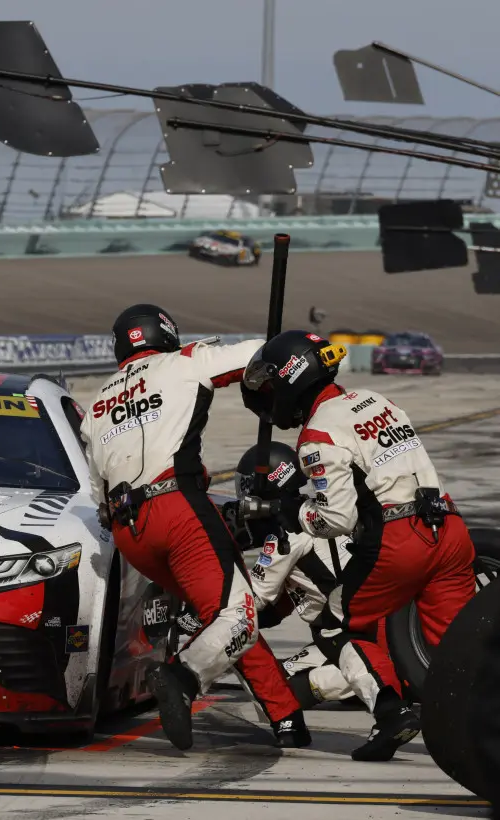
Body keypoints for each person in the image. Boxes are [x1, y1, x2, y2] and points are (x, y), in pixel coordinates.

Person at [237, 328, 476, 761]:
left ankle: (391, 714)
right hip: (450, 529)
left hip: (398, 538)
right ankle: (483, 724)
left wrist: (294, 512)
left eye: (271, 386)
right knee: (458, 645)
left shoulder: (317, 434)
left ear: (292, 378)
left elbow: (336, 519)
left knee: (338, 624)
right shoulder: (376, 400)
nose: (270, 398)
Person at [81, 304, 309, 751]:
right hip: (177, 509)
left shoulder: (97, 405)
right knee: (237, 615)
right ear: (165, 333)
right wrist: (273, 380)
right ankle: (182, 675)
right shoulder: (183, 360)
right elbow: (263, 354)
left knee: (225, 615)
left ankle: (286, 719)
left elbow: (97, 495)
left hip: (132, 532)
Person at [230, 441, 356, 710]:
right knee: (283, 671)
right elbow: (289, 599)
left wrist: (198, 617)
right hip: (351, 626)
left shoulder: (286, 536)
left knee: (282, 689)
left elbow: (251, 600)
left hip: (353, 633)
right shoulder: (323, 513)